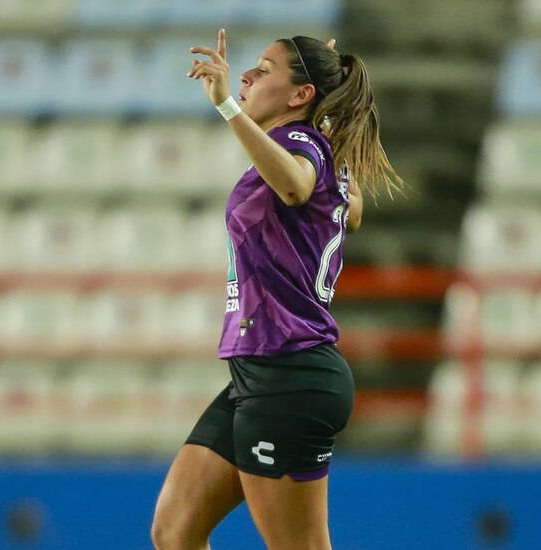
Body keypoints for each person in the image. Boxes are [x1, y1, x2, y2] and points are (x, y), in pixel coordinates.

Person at [151, 29, 403, 550]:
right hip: (259, 372)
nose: (244, 75)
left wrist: (226, 107)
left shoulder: (299, 144)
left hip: (289, 372)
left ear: (299, 95)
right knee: (175, 532)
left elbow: (294, 185)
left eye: (263, 70)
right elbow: (348, 212)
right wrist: (327, 130)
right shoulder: (316, 147)